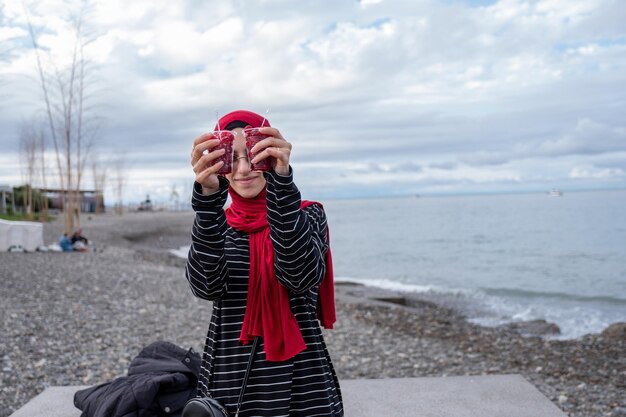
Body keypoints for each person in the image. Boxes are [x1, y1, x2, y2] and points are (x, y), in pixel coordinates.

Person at [186, 110, 343, 416]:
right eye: (233, 157)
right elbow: (206, 287)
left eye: (255, 155)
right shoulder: (217, 222)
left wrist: (282, 185)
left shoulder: (306, 215)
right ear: (219, 163)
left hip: (302, 379)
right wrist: (207, 201)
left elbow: (301, 277)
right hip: (229, 377)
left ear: (271, 155)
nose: (244, 169)